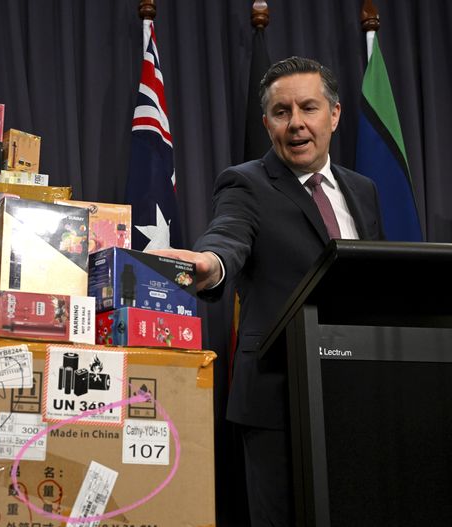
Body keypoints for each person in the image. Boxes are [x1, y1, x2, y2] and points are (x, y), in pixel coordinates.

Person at [156, 56, 385, 526]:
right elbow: (229, 236)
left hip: (358, 393)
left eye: (308, 108)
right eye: (282, 112)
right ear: (267, 123)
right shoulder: (247, 183)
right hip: (280, 399)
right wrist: (212, 264)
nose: (296, 123)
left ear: (335, 115)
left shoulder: (363, 191)